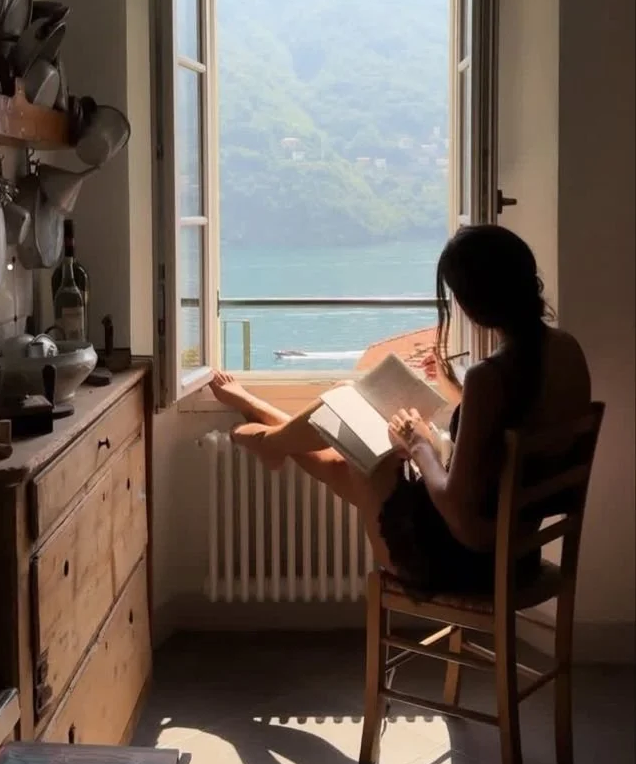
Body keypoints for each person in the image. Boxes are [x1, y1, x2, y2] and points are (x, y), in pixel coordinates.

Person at [210, 225, 591, 593]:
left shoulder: (489, 377)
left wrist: (419, 444)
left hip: (459, 562)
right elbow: (509, 430)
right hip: (518, 553)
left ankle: (270, 441)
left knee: (349, 415)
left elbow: (462, 521)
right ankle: (271, 439)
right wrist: (448, 400)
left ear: (469, 303)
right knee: (351, 445)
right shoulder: (566, 349)